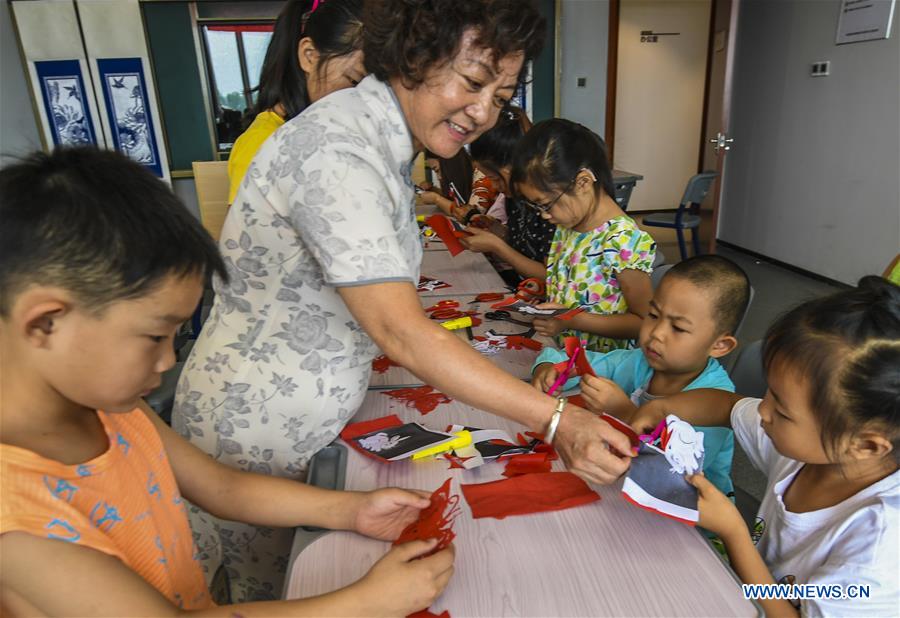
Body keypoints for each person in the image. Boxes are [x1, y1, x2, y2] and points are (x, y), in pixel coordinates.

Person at [172, 0, 635, 601]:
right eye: (471, 82)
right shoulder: (339, 150)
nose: (482, 111)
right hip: (258, 425)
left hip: (298, 416)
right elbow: (400, 330)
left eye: (500, 94)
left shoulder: (383, 141)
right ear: (412, 59)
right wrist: (554, 419)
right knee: (274, 592)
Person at [0, 147, 454, 617]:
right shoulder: (14, 517)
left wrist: (351, 510)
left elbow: (221, 488)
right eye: (155, 336)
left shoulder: (109, 407)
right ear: (45, 322)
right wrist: (366, 603)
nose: (168, 360)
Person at [631, 277, 899, 617]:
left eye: (783, 410)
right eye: (770, 392)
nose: (763, 411)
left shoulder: (878, 550)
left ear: (866, 444)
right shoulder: (806, 448)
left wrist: (734, 532)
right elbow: (726, 406)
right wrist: (663, 408)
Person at [531, 255, 751, 498]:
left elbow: (676, 475)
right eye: (654, 315)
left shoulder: (716, 402)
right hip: (624, 490)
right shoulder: (639, 361)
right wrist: (551, 368)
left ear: (719, 345)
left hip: (695, 521)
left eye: (678, 328)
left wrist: (624, 413)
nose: (656, 333)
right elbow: (575, 360)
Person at [507, 118, 656, 352]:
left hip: (602, 372)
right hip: (562, 357)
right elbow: (572, 285)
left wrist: (571, 319)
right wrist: (544, 294)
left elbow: (644, 322)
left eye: (546, 204)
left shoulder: (623, 240)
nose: (544, 216)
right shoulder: (567, 227)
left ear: (583, 182)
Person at [227, 0, 366, 204]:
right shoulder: (261, 143)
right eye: (354, 81)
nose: (363, 100)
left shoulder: (323, 136)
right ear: (309, 56)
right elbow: (244, 233)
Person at [460, 107, 557, 286]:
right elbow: (524, 244)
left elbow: (551, 277)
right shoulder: (515, 198)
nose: (495, 186)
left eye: (495, 178)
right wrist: (497, 230)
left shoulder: (549, 205)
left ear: (514, 167)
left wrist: (497, 246)